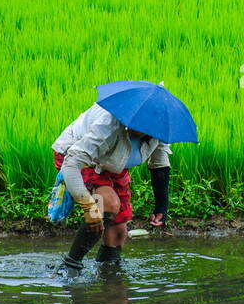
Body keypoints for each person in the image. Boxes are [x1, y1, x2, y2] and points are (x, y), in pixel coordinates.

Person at [52, 102, 172, 275]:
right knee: (107, 204)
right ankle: (69, 268)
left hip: (114, 163)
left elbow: (159, 165)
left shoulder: (159, 130)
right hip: (79, 158)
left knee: (118, 235)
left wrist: (161, 207)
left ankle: (108, 276)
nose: (137, 127)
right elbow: (72, 162)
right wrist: (88, 205)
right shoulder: (108, 123)